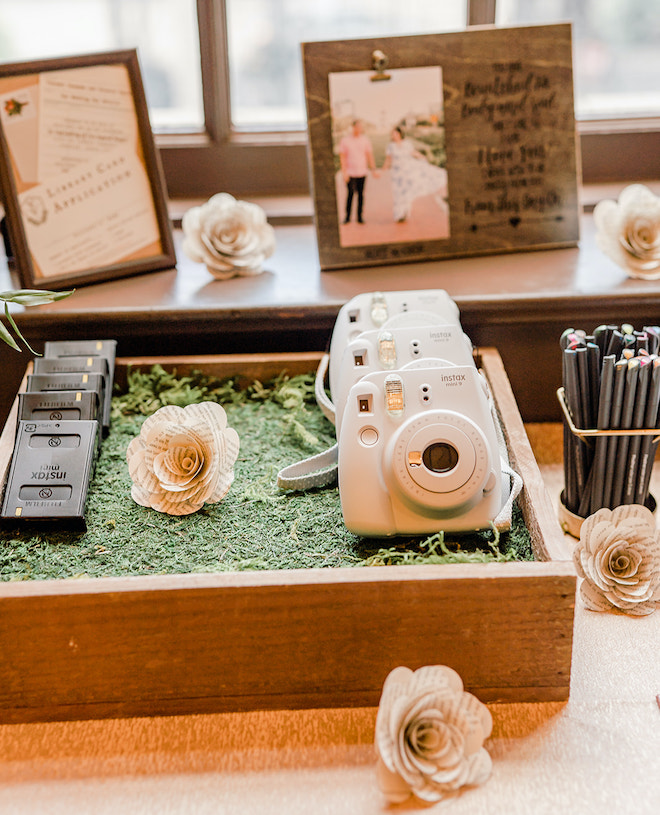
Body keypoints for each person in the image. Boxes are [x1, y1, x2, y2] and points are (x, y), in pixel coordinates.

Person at [382, 126, 448, 223]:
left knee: (407, 192)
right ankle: (399, 213)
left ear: (400, 134)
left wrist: (423, 157)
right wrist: (382, 171)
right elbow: (388, 160)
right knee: (398, 193)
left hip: (407, 171)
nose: (393, 136)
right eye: (392, 134)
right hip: (397, 174)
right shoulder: (390, 146)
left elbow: (413, 153)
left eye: (395, 133)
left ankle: (405, 212)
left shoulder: (407, 144)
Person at [338, 120, 378, 224]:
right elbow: (342, 157)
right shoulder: (345, 140)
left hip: (362, 171)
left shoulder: (365, 140)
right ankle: (347, 217)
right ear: (353, 127)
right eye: (357, 127)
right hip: (350, 172)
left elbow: (369, 155)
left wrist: (373, 169)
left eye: (360, 127)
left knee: (361, 195)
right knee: (350, 194)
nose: (359, 129)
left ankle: (360, 216)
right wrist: (344, 172)